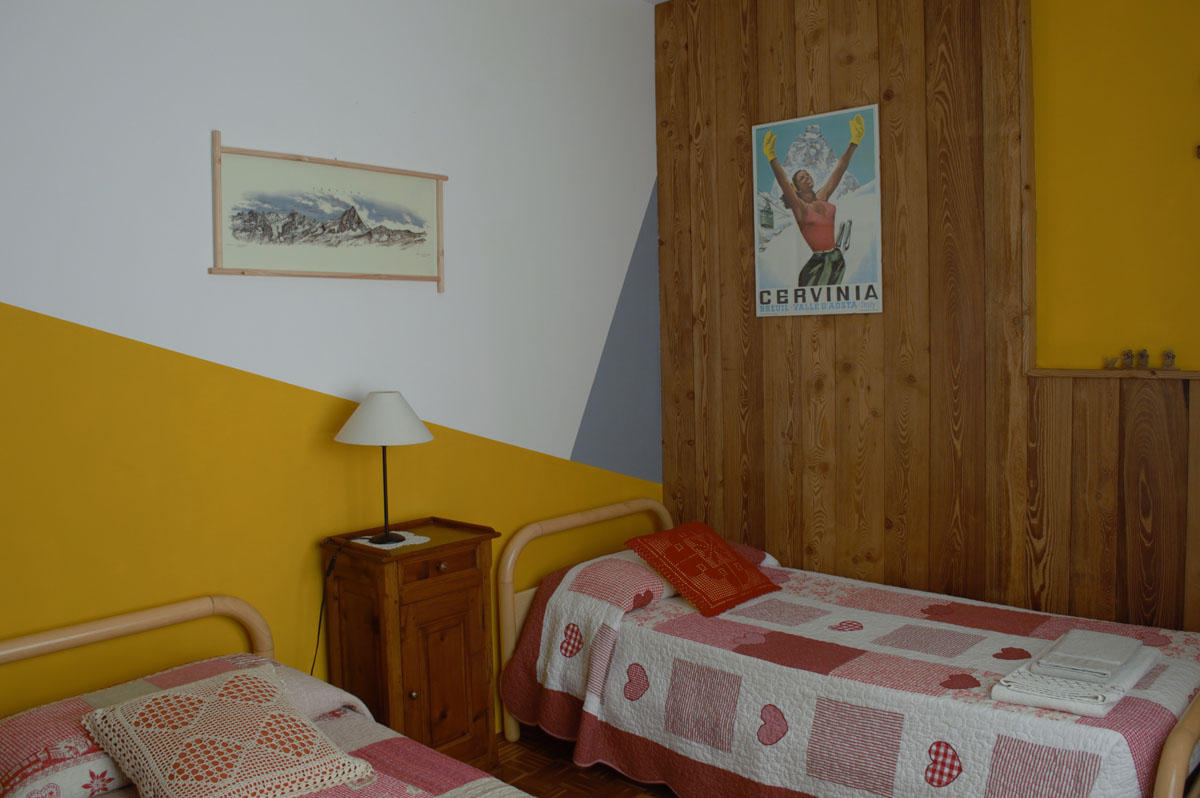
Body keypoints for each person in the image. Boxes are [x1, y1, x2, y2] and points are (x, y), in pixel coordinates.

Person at [762, 113, 863, 286]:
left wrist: (854, 142)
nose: (807, 177)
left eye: (807, 174)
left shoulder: (822, 196)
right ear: (797, 189)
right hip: (818, 265)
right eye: (802, 178)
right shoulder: (801, 208)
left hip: (836, 258)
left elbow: (840, 169)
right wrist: (771, 157)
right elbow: (784, 182)